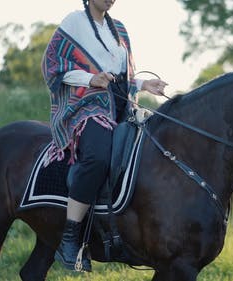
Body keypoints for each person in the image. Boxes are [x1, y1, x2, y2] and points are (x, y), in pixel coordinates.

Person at [41, 0, 167, 272]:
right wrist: (91, 79)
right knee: (97, 158)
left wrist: (145, 84)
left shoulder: (119, 28)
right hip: (87, 105)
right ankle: (71, 236)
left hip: (123, 106)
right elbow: (53, 66)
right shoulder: (74, 22)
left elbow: (121, 79)